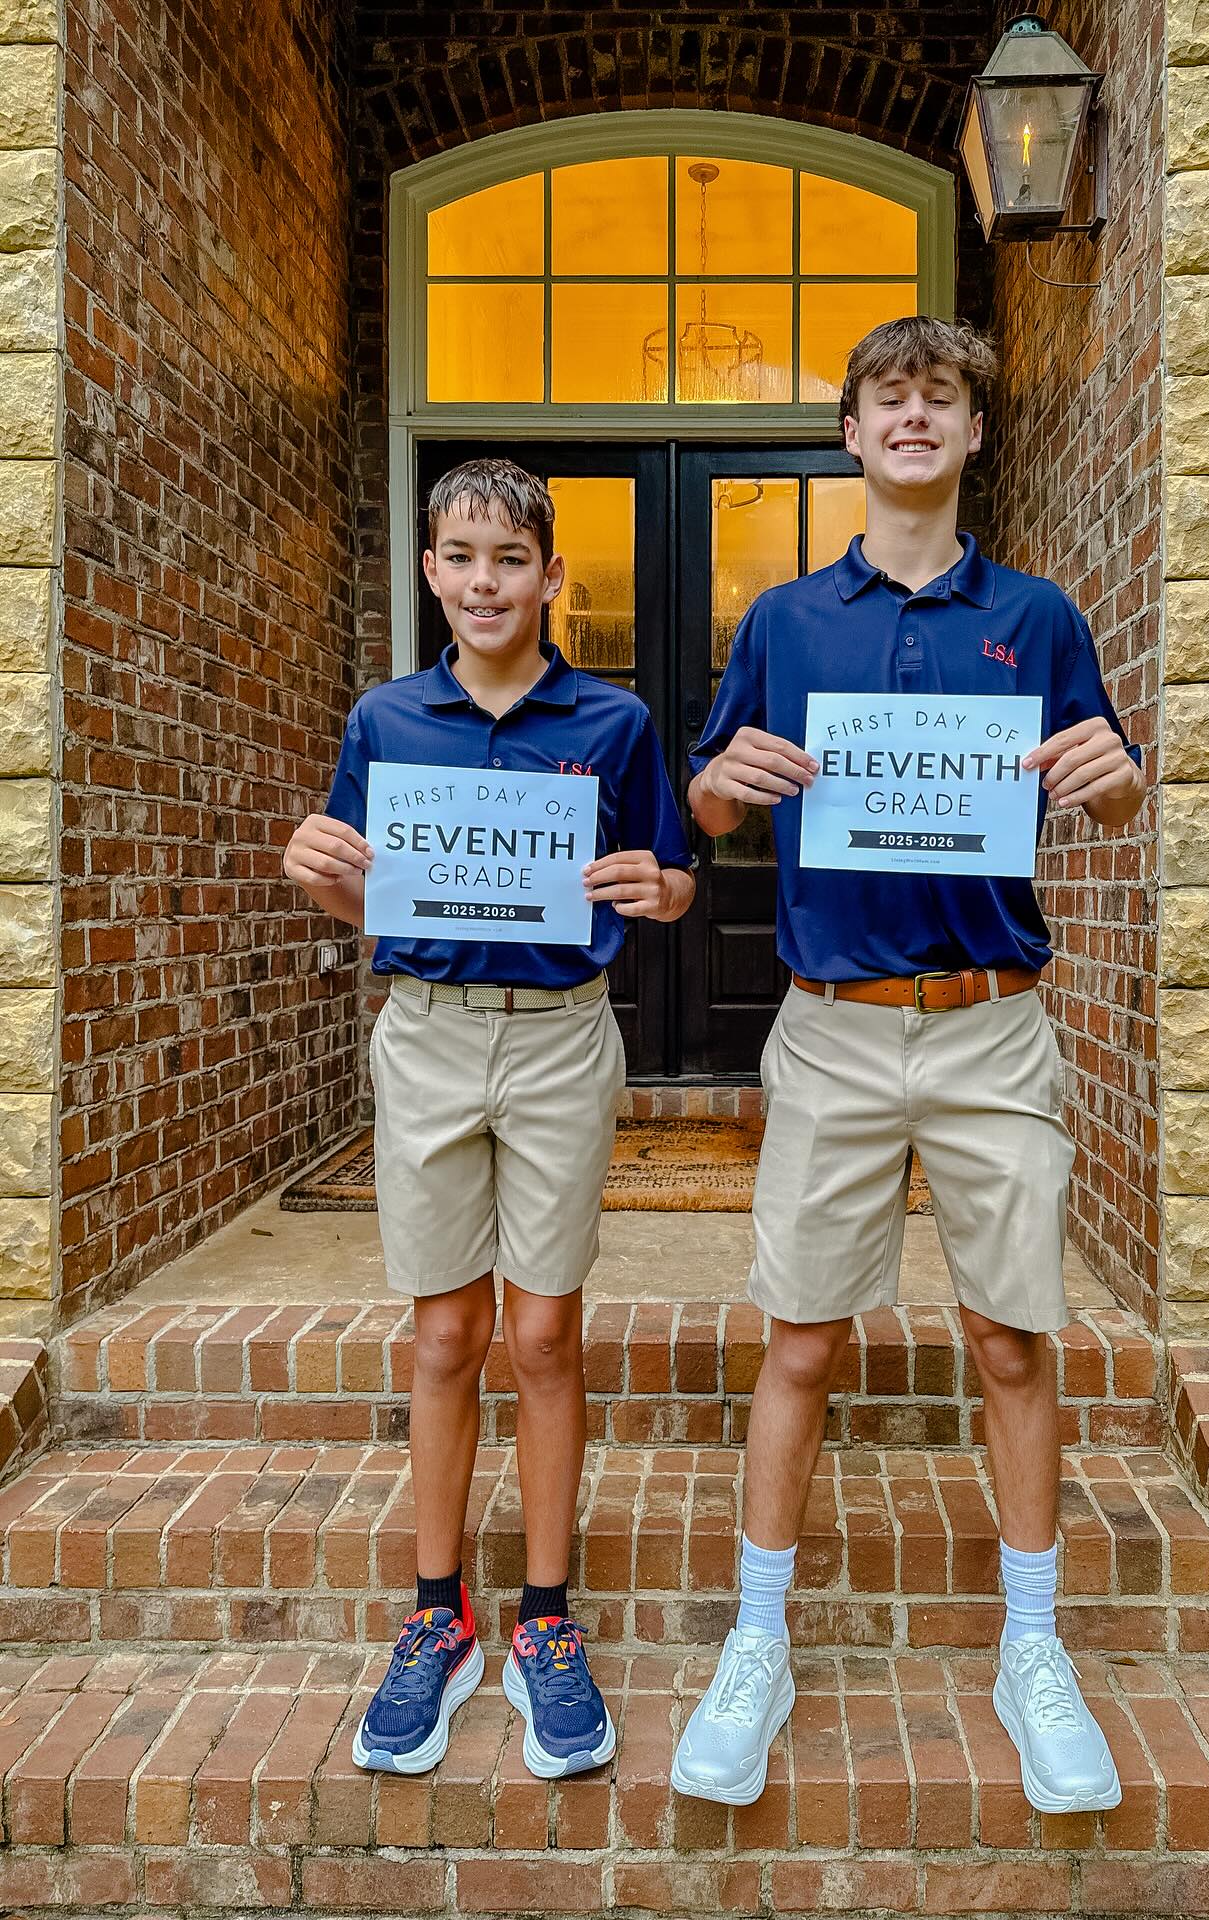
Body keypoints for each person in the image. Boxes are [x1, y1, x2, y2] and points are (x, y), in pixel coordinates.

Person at [672, 315, 1146, 1815]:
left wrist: (1118, 778)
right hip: (834, 1025)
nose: (917, 416)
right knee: (803, 1336)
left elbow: (1110, 792)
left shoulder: (1040, 616)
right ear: (854, 433)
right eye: (891, 396)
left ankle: (1032, 1646)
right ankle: (759, 1640)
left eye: (943, 397)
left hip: (993, 1021)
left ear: (974, 433)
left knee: (1012, 1337)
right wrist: (722, 783)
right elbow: (705, 806)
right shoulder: (785, 619)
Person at [284, 458, 694, 1779]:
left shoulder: (614, 722)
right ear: (430, 571)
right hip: (430, 1034)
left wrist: (664, 891)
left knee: (546, 1331)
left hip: (562, 1036)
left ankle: (547, 1618)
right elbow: (373, 899)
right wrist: (319, 874)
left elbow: (670, 877)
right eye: (460, 556)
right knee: (446, 1332)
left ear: (551, 575)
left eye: (510, 558)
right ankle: (437, 1613)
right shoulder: (387, 720)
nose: (484, 581)